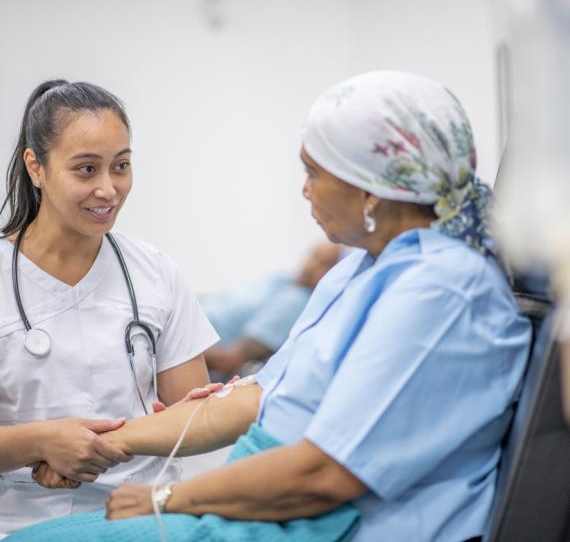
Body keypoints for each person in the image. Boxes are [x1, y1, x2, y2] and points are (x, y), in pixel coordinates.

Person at [12, 71, 531, 542]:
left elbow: (323, 473)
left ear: (370, 189)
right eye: (86, 169)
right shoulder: (360, 269)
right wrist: (96, 444)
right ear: (37, 167)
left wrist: (168, 497)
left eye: (314, 171)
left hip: (328, 519)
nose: (305, 190)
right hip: (261, 497)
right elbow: (253, 398)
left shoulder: (439, 291)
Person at [0, 80, 219, 536]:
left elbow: (196, 420)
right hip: (20, 520)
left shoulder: (154, 272)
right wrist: (39, 442)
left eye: (121, 166)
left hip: (139, 514)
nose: (108, 190)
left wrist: (107, 443)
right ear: (35, 166)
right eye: (86, 170)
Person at [203, 241, 341, 379]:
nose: (312, 266)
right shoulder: (285, 278)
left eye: (325, 264)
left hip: (197, 351)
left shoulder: (296, 303)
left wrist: (187, 346)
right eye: (314, 256)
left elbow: (229, 361)